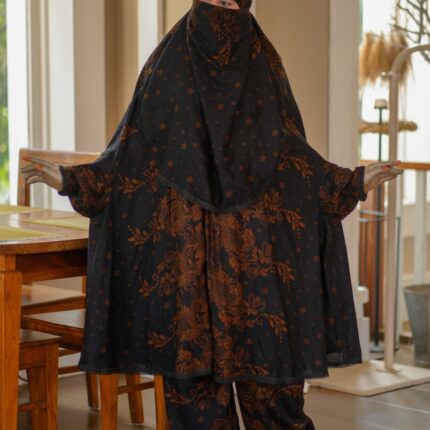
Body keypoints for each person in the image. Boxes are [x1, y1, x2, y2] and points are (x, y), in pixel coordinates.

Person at [20, 0, 404, 428]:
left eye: (231, 3)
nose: (222, 10)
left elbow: (295, 157)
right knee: (194, 404)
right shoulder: (166, 71)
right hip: (188, 273)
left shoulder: (264, 69)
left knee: (275, 401)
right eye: (213, 1)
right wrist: (73, 180)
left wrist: (352, 182)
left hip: (259, 270)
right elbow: (129, 155)